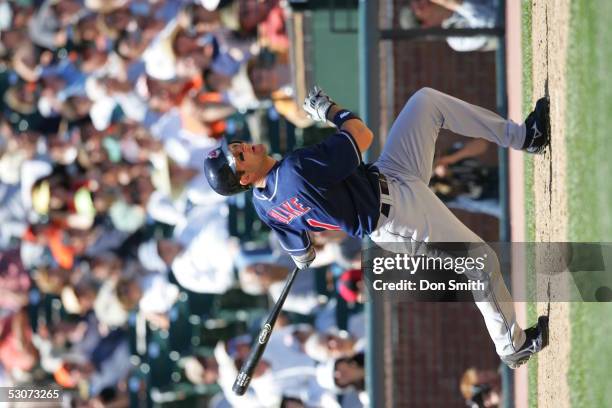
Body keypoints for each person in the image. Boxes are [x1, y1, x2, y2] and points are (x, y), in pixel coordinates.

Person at [207, 85, 549, 369]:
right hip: (395, 217)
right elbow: (361, 134)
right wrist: (329, 111)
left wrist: (306, 250)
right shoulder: (294, 171)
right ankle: (513, 346)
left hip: (389, 174)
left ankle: (524, 137)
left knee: (426, 103)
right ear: (246, 178)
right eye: (239, 158)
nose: (242, 148)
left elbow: (303, 252)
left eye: (235, 147)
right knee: (479, 263)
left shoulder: (263, 204)